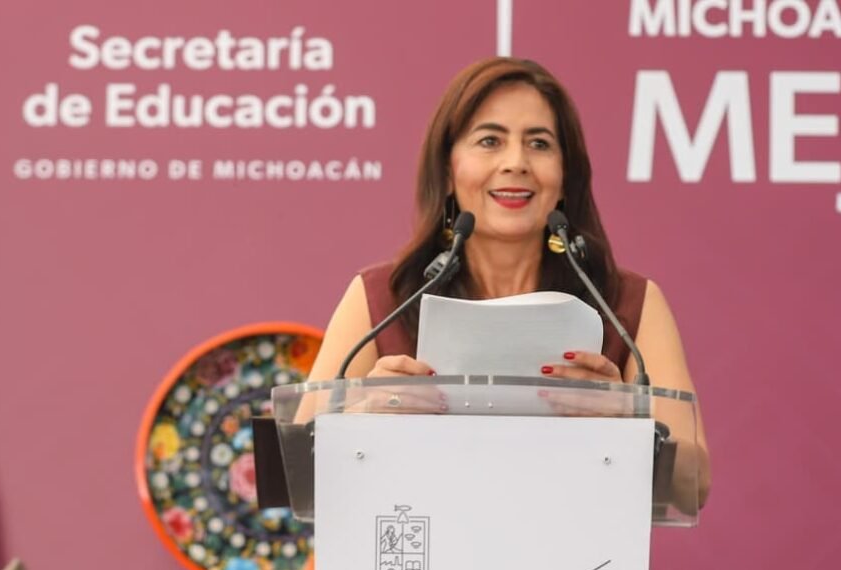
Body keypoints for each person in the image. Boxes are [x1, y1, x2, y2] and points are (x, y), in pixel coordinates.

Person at [302, 57, 710, 509]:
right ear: (448, 171)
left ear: (564, 178)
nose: (516, 162)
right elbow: (297, 468)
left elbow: (693, 487)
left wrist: (626, 420)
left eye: (539, 143)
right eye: (490, 141)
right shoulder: (382, 297)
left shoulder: (628, 303)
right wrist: (363, 418)